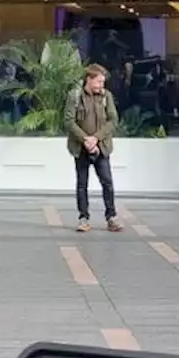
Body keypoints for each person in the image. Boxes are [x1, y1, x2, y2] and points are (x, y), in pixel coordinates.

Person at [65, 63, 123, 233]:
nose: (101, 86)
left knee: (107, 182)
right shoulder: (74, 96)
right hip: (80, 148)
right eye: (98, 82)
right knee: (82, 184)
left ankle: (111, 217)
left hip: (101, 147)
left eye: (102, 82)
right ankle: (83, 218)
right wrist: (85, 140)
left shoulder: (107, 96)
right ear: (89, 80)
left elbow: (113, 120)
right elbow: (69, 121)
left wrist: (96, 139)